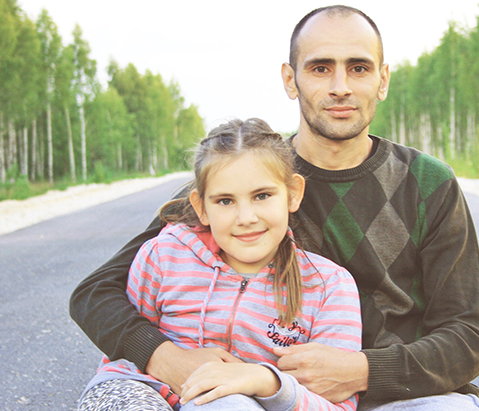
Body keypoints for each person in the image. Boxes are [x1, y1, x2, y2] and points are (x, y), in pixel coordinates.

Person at [71, 5, 479, 411]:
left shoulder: (429, 183)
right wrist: (166, 359)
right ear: (291, 80)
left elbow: (468, 337)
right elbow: (95, 294)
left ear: (382, 80)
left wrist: (362, 370)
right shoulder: (247, 180)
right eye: (320, 68)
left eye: (358, 68)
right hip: (269, 398)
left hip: (400, 395)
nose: (340, 85)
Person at [77, 118, 362, 410]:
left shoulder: (327, 285)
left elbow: (336, 406)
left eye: (262, 196)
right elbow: (123, 355)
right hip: (139, 388)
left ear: (293, 193)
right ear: (201, 207)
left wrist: (268, 382)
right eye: (225, 201)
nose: (246, 217)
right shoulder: (164, 254)